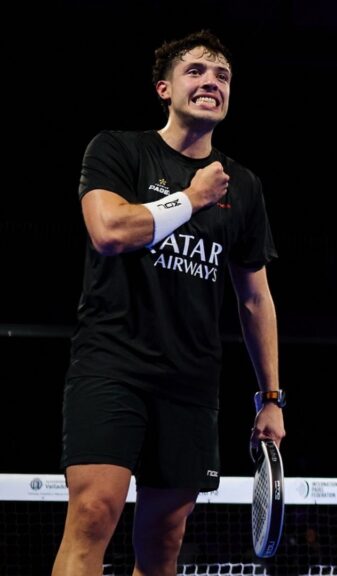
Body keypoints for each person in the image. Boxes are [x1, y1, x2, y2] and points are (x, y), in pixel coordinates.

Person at [54, 30, 286, 575]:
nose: (212, 82)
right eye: (197, 71)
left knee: (164, 542)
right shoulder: (117, 149)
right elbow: (109, 230)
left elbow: (255, 300)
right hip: (111, 366)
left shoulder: (244, 186)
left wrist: (270, 398)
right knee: (91, 514)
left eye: (223, 75)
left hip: (190, 382)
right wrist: (193, 198)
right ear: (164, 87)